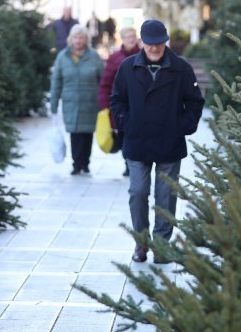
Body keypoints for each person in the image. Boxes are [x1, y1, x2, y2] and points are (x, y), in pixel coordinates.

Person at [110, 19, 204, 263]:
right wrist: (126, 123)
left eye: (159, 44)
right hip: (137, 139)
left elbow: (194, 101)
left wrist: (182, 126)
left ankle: (161, 245)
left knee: (166, 195)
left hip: (168, 141)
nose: (154, 48)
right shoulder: (128, 67)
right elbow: (116, 99)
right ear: (142, 42)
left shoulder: (181, 68)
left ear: (165, 42)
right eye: (150, 44)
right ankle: (141, 243)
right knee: (138, 191)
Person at [50, 24, 104, 175]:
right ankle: (76, 164)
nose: (78, 41)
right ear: (70, 39)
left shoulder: (93, 56)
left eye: (81, 37)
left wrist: (105, 102)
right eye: (75, 37)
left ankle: (85, 163)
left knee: (87, 133)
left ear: (86, 40)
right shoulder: (63, 56)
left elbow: (103, 80)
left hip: (90, 102)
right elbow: (56, 81)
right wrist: (53, 104)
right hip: (71, 102)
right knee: (74, 133)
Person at [97, 26, 142, 177]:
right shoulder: (115, 58)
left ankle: (138, 162)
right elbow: (106, 84)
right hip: (121, 105)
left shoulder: (144, 55)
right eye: (128, 36)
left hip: (141, 104)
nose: (131, 39)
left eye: (133, 36)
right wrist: (104, 106)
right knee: (123, 135)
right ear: (122, 38)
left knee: (139, 134)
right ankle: (128, 164)